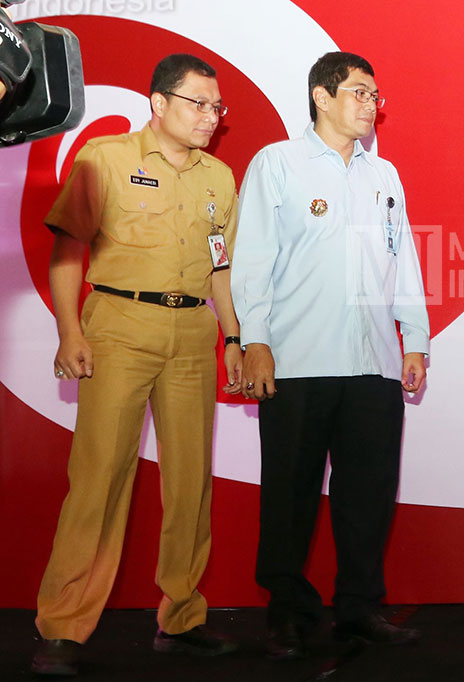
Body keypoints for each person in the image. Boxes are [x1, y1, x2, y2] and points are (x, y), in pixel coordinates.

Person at [30, 54, 242, 676]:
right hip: (119, 327)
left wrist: (235, 338)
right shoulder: (105, 158)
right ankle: (64, 626)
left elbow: (221, 269)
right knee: (99, 477)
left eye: (217, 107)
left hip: (193, 331)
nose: (211, 116)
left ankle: (181, 617)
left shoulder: (220, 178)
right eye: (198, 104)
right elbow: (68, 249)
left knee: (190, 482)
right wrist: (69, 331)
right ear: (158, 102)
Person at [231, 51, 429, 660]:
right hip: (296, 359)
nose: (372, 105)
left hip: (372, 362)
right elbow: (254, 258)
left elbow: (402, 262)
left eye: (376, 96)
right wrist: (255, 339)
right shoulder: (278, 164)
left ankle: (359, 609)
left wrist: (413, 338)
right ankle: (286, 614)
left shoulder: (384, 175)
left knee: (367, 495)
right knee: (289, 495)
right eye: (360, 92)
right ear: (321, 96)